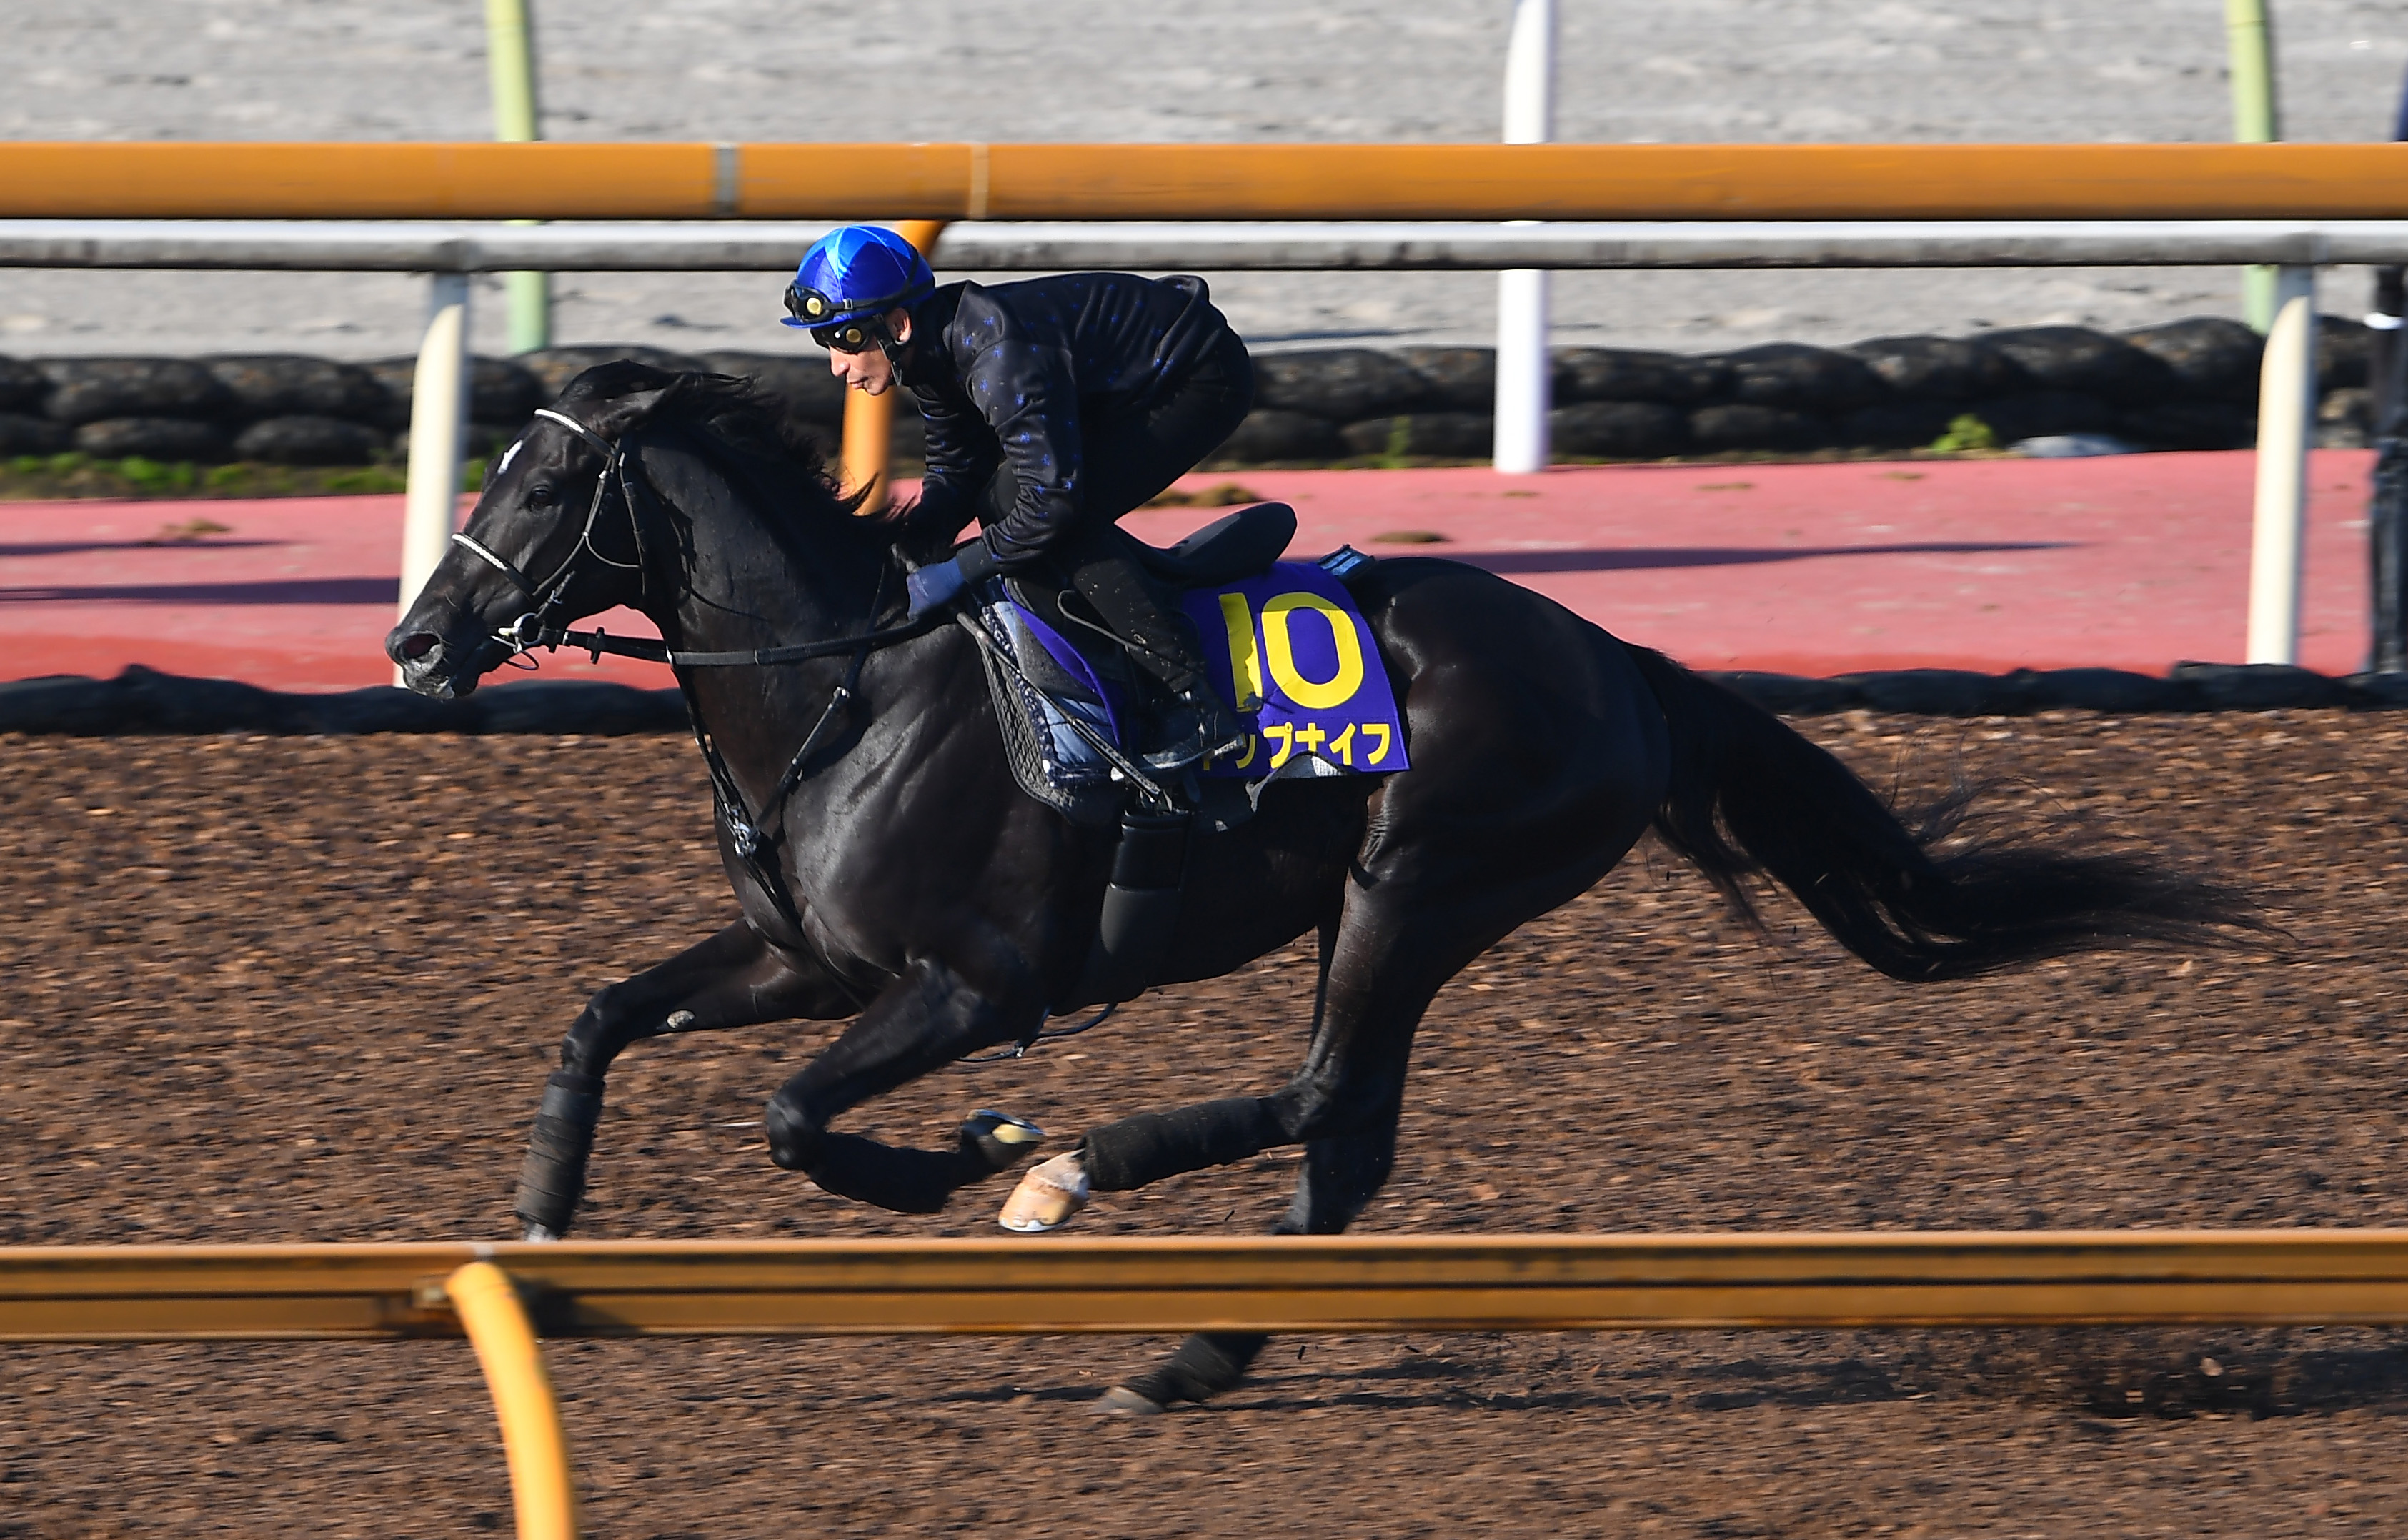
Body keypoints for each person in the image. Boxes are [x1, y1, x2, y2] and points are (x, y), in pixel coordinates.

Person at [782, 224, 1253, 771]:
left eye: (846, 340)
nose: (837, 366)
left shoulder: (998, 356)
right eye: (825, 342)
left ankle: (1194, 703)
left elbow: (1051, 503)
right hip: (1129, 376)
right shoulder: (929, 351)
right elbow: (957, 472)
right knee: (1005, 504)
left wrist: (957, 571)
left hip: (1198, 376)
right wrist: (903, 552)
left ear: (898, 324)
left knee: (1039, 512)